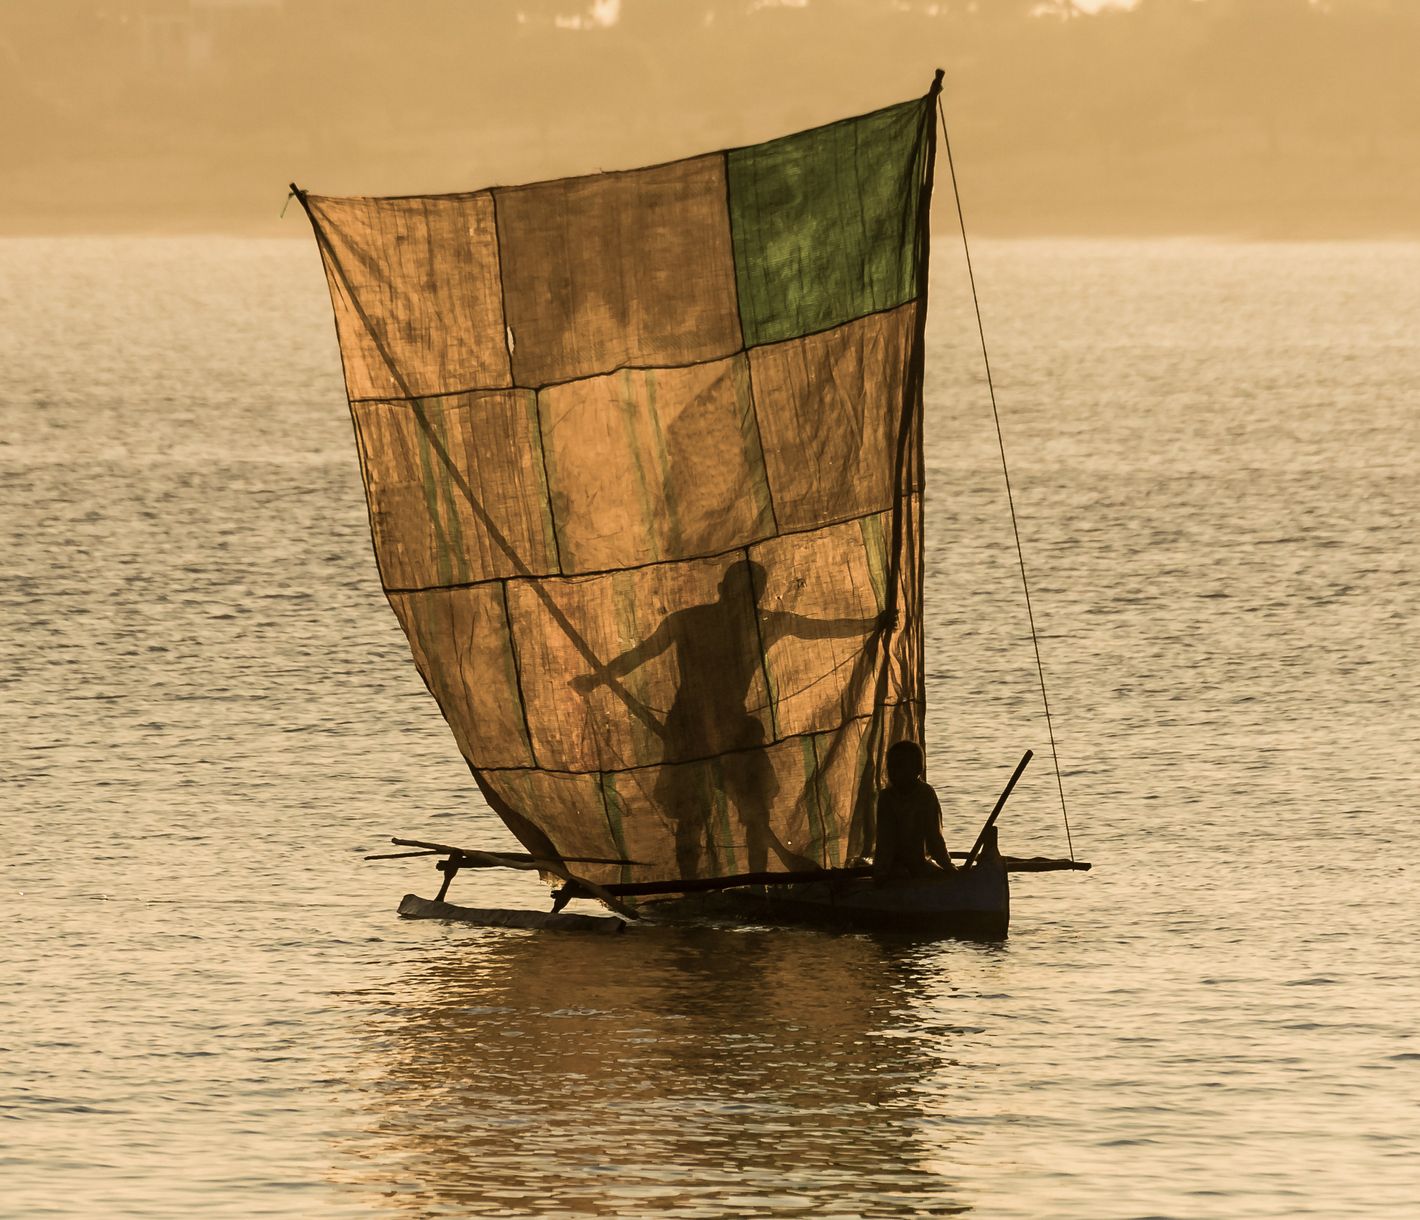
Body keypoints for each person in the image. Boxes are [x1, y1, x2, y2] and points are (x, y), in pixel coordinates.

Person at [872, 740, 955, 880]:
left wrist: (948, 866)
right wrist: (881, 871)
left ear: (917, 769)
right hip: (894, 868)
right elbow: (885, 840)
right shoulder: (886, 797)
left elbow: (934, 838)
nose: (892, 771)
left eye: (899, 766)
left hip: (919, 865)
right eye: (890, 766)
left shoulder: (925, 794)